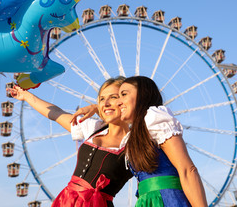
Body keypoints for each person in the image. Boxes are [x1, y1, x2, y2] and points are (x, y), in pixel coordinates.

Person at [74, 76, 207, 207]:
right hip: (145, 201)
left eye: (124, 94)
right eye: (118, 97)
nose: (119, 102)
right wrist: (97, 107)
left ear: (143, 95)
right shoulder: (134, 136)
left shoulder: (155, 119)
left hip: (167, 199)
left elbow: (187, 170)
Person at [8, 76, 132, 207]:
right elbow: (56, 113)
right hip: (66, 201)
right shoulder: (93, 128)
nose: (106, 103)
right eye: (101, 99)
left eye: (113, 97)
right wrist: (26, 96)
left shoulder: (134, 143)